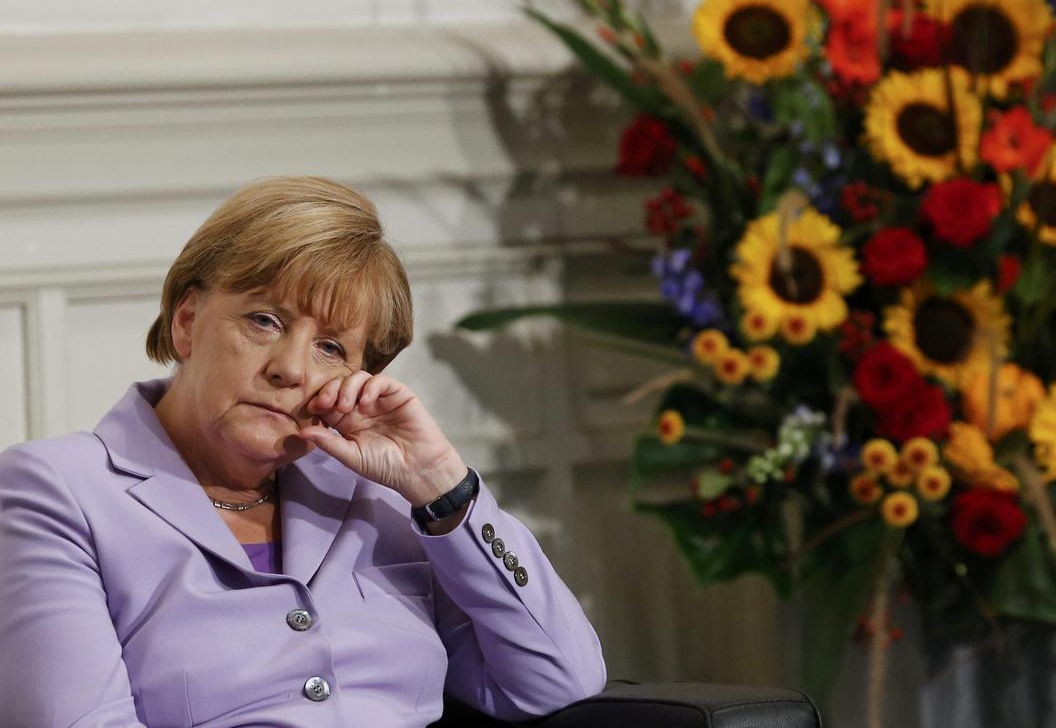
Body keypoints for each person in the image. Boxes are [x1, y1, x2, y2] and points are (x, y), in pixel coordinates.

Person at [0, 177, 607, 727]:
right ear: (186, 320)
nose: (290, 368)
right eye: (264, 320)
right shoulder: (56, 492)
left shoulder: (388, 502)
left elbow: (559, 680)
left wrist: (443, 486)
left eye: (331, 349)